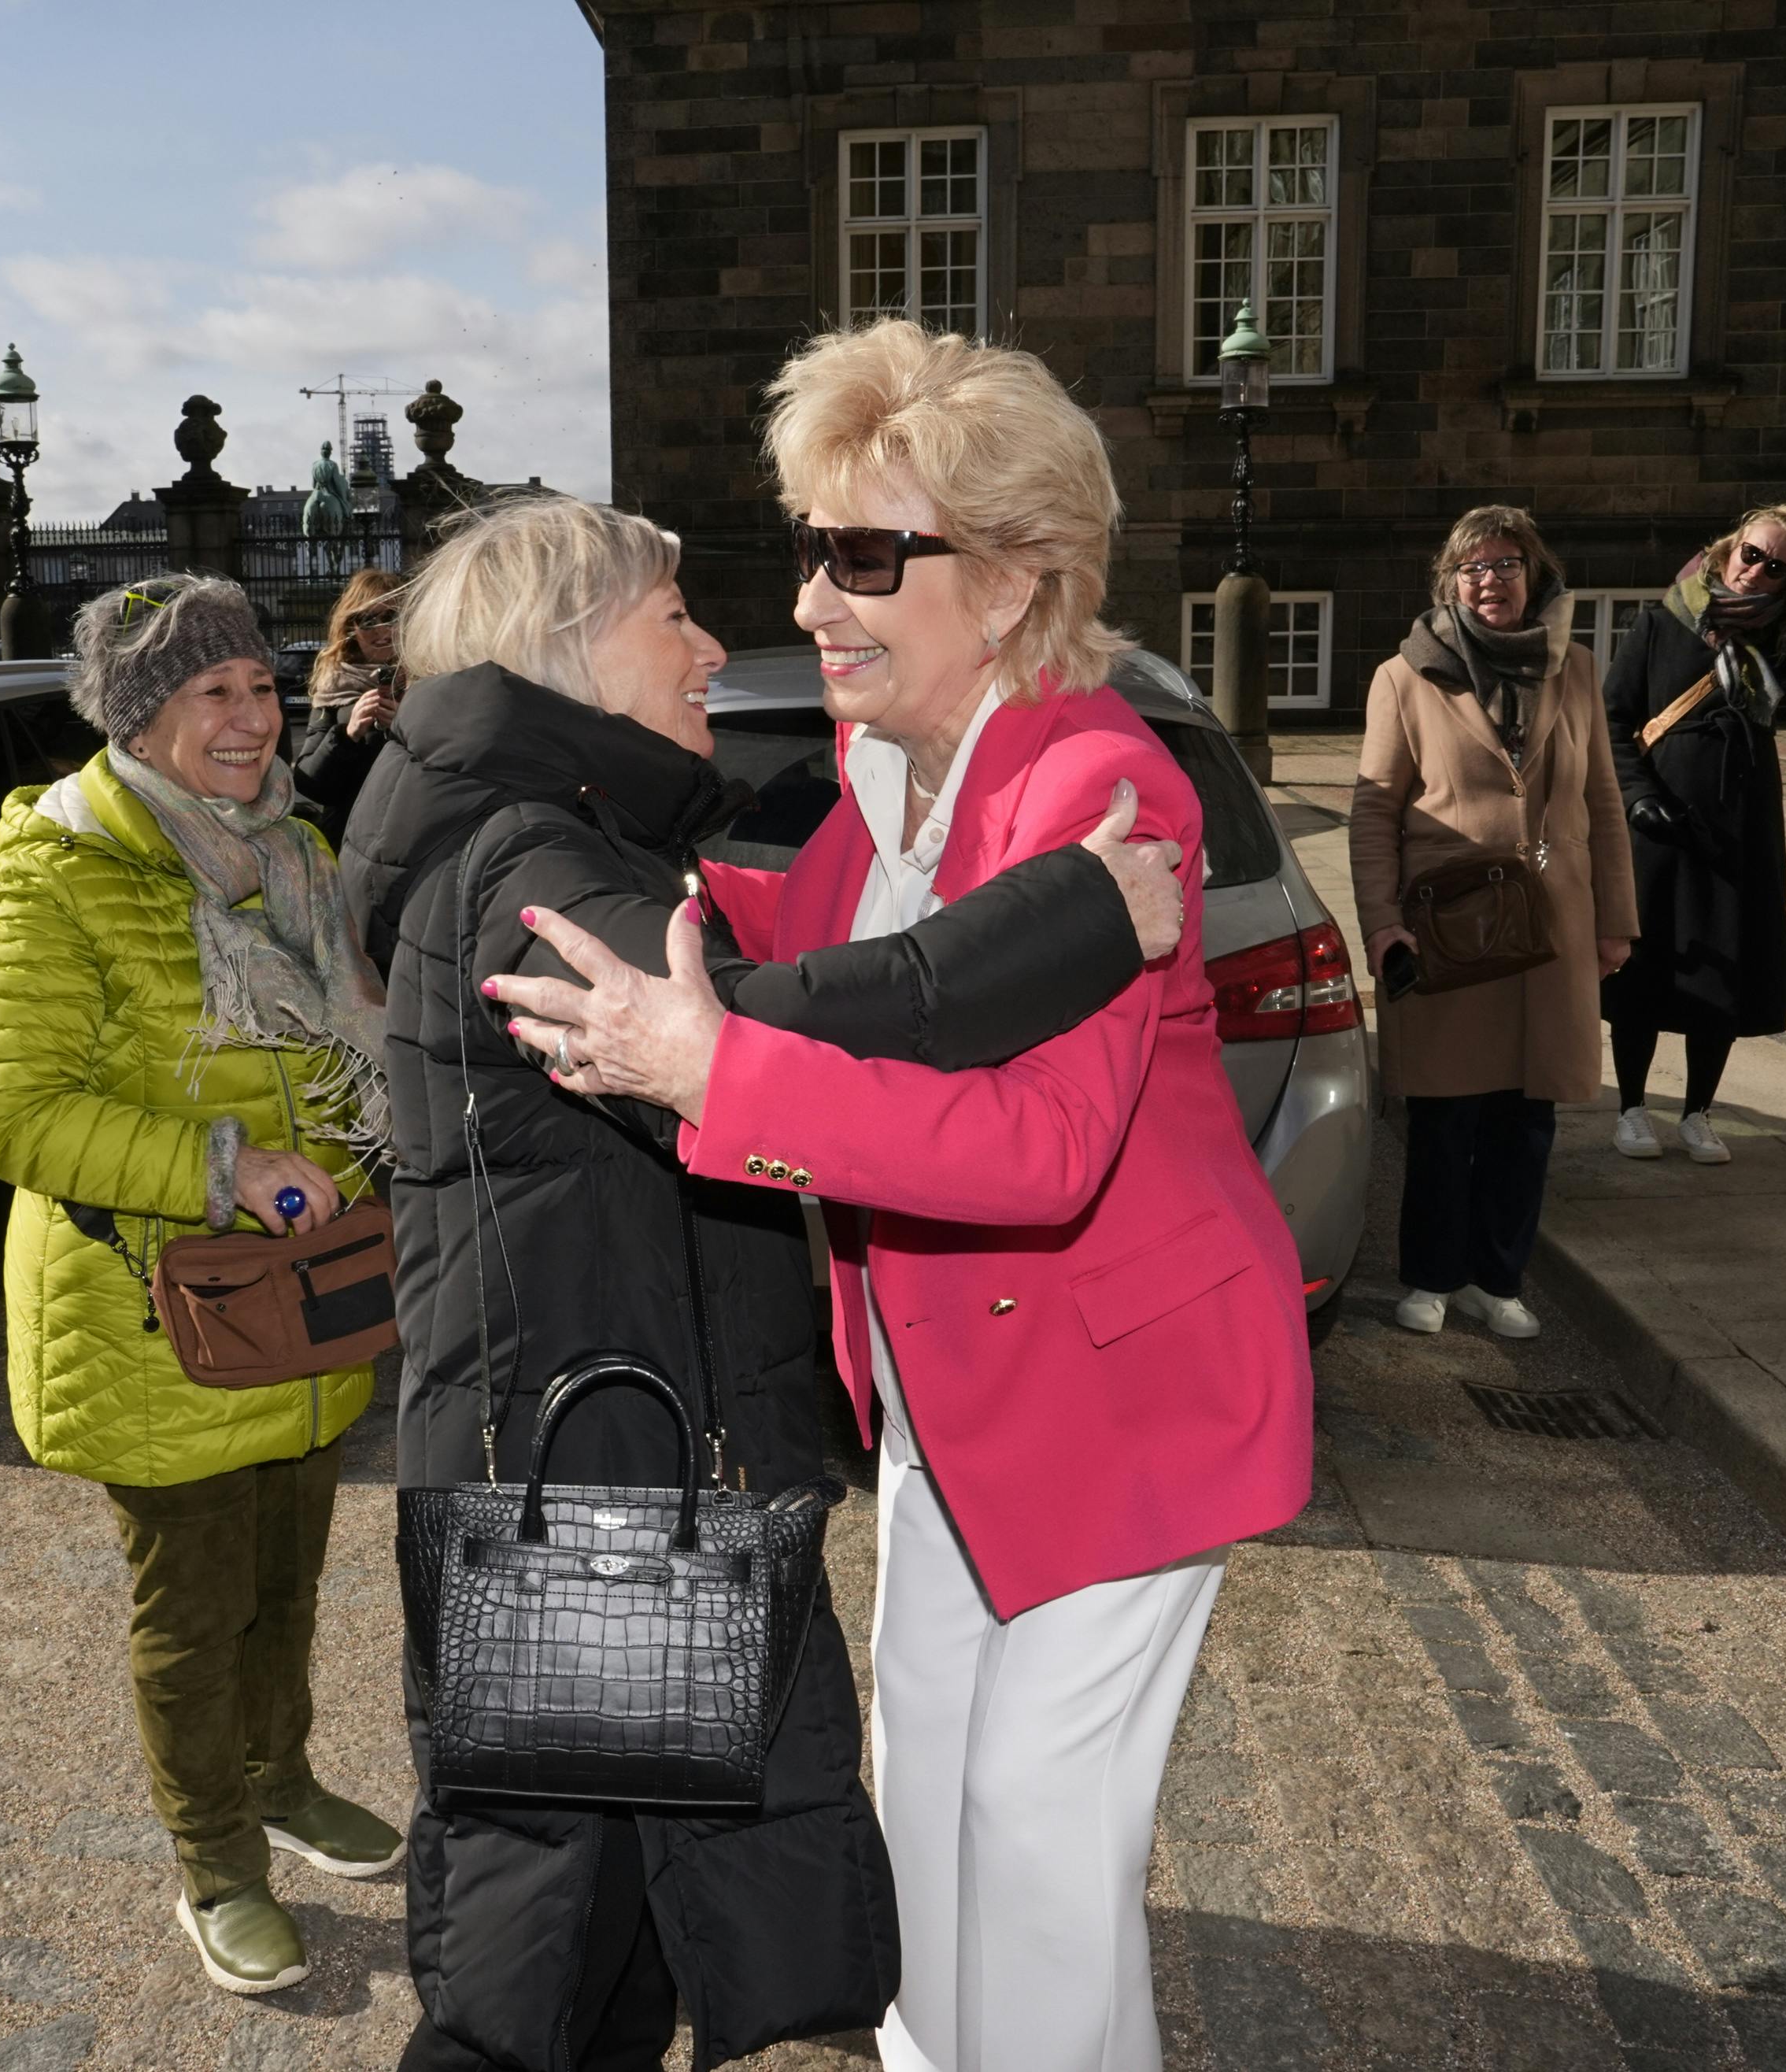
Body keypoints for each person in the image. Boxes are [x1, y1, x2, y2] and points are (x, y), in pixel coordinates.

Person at [476, 323, 1314, 2072]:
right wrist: (608, 848)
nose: (816, 600)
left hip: (1127, 1398)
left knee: (1032, 1831)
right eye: (812, 549)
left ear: (1007, 583)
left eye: (867, 556)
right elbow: (820, 954)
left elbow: (1038, 1144)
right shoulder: (897, 780)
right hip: (951, 1402)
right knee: (919, 1792)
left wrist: (712, 1074)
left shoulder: (1092, 777)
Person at [338, 490, 1189, 2072]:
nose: (717, 647)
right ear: (572, 651)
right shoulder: (532, 852)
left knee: (619, 1931)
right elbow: (780, 1025)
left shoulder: (539, 830)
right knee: (544, 1960)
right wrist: (1082, 908)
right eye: (675, 617)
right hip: (582, 1485)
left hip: (587, 1455)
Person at [0, 575, 404, 2000]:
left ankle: (281, 1778)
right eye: (215, 693)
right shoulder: (58, 866)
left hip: (309, 1296)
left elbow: (353, 1037)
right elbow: (12, 1111)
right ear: (139, 715)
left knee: (290, 1575)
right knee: (195, 1609)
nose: (254, 716)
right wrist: (224, 1162)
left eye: (264, 688)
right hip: (157, 1314)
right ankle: (214, 1860)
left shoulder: (296, 846)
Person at [1351, 505, 1636, 1337]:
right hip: (1451, 928)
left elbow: (1605, 802)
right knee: (1445, 1116)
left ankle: (1497, 1278)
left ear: (1534, 575)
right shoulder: (1405, 677)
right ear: (1450, 580)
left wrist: (1617, 919)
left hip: (1555, 925)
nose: (1489, 581)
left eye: (1507, 565)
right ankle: (1432, 1276)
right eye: (1473, 567)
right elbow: (1374, 817)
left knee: (1528, 1115)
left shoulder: (1576, 668)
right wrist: (1380, 924)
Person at [1600, 504, 1786, 1159]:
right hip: (1660, 824)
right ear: (1726, 550)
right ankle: (1631, 1108)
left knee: (1723, 969)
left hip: (1738, 828)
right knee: (1646, 971)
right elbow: (1612, 720)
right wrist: (1637, 797)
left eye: (1776, 567)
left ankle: (1697, 1113)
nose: (1756, 572)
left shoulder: (1774, 643)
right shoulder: (1659, 623)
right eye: (1751, 554)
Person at [290, 564, 407, 845]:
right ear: (351, 629)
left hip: (415, 837)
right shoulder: (336, 684)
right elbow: (310, 784)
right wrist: (347, 734)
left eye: (391, 616)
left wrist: (407, 727)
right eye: (367, 621)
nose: (381, 630)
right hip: (350, 839)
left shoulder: (432, 677)